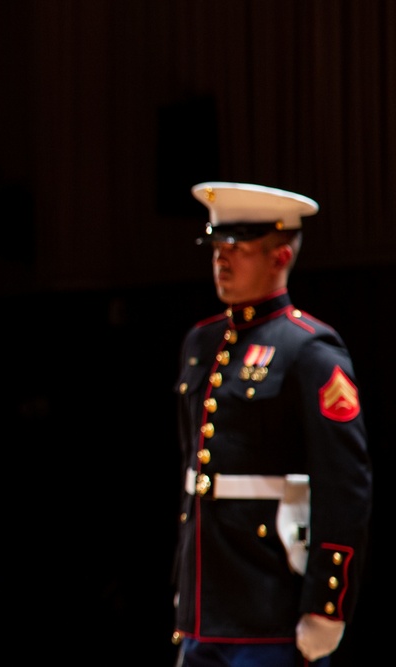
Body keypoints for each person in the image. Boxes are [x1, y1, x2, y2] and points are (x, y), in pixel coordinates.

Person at [170, 182, 372, 666]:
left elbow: (344, 486)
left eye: (237, 247)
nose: (222, 258)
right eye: (218, 246)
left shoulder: (309, 349)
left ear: (280, 255)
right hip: (205, 608)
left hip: (271, 604)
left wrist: (327, 606)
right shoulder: (202, 342)